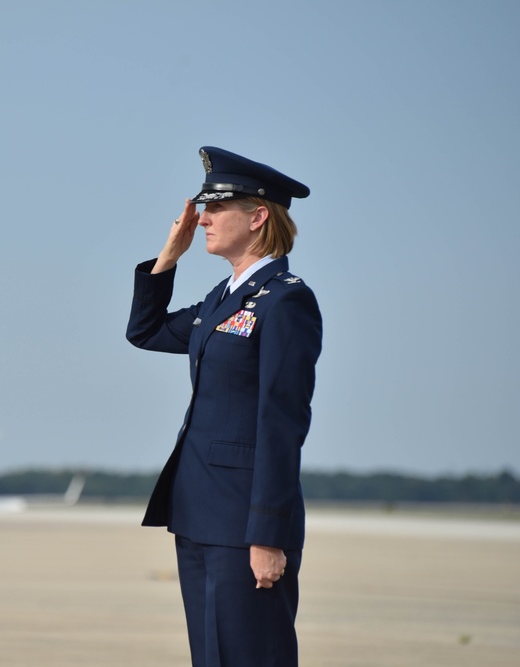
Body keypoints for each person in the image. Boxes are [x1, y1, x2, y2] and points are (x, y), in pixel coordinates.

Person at [126, 146, 322, 666]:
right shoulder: (221, 297)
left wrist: (268, 535)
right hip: (197, 514)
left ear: (258, 216)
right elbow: (145, 332)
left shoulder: (285, 300)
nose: (202, 218)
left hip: (243, 524)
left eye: (216, 208)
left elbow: (282, 424)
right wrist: (170, 255)